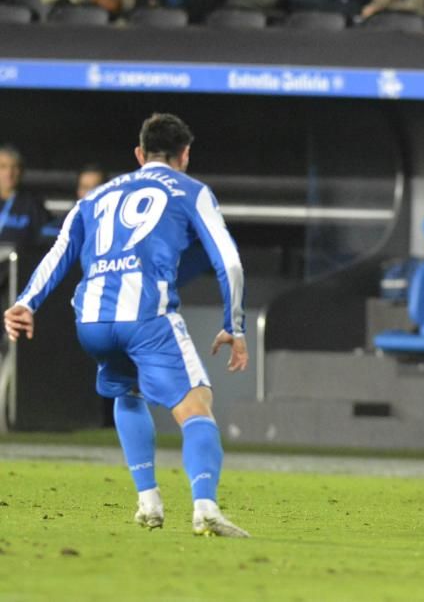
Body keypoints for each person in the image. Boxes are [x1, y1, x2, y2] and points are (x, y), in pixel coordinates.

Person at [4, 113, 250, 538]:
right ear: (185, 155)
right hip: (146, 317)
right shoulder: (191, 190)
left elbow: (61, 250)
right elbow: (228, 260)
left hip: (93, 320)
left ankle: (148, 500)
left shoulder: (96, 195)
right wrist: (235, 324)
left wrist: (26, 302)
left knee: (127, 390)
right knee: (196, 404)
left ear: (139, 154)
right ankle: (206, 506)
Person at [0, 145, 52, 249]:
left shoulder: (33, 204)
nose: (9, 173)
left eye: (14, 167)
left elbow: (44, 239)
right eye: (3, 167)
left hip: (19, 262)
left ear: (21, 171)